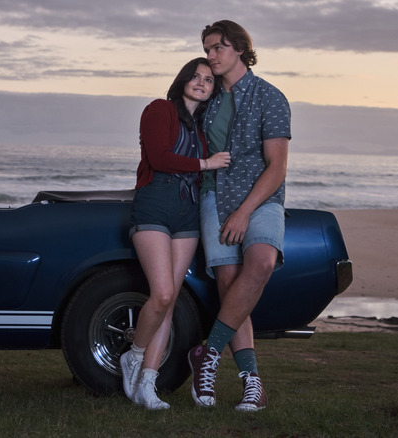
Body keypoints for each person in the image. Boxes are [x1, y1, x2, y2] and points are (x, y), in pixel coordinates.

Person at [187, 20, 291, 412]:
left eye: (217, 48)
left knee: (261, 263)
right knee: (231, 291)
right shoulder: (206, 99)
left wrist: (245, 212)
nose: (210, 55)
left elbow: (276, 166)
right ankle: (252, 383)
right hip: (214, 199)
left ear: (239, 50)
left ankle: (207, 354)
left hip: (260, 201)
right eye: (207, 48)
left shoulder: (270, 97)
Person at [120, 57, 232, 410]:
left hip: (187, 211)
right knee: (164, 294)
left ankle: (148, 384)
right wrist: (206, 163)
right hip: (155, 203)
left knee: (170, 305)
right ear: (183, 79)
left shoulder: (201, 129)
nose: (201, 82)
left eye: (209, 80)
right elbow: (158, 157)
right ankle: (134, 356)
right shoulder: (159, 109)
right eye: (195, 77)